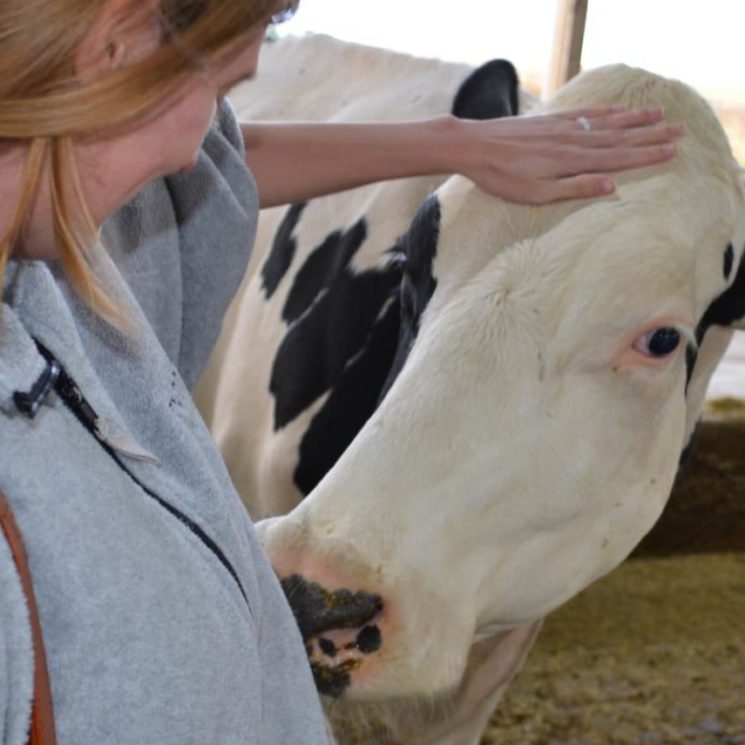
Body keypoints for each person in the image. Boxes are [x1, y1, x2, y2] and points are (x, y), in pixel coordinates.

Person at [0, 1, 683, 743]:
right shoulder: (65, 294)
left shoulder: (59, 254)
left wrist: (458, 144)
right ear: (113, 45)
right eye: (220, 88)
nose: (194, 156)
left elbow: (224, 157)